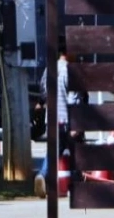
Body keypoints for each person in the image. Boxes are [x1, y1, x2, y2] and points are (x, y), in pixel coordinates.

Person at [35, 52, 82, 199]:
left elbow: (43, 89)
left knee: (54, 150)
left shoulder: (50, 68)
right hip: (66, 119)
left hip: (52, 117)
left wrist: (43, 103)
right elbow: (75, 98)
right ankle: (76, 184)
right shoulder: (71, 71)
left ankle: (43, 176)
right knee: (77, 152)